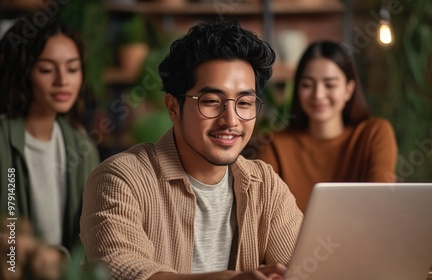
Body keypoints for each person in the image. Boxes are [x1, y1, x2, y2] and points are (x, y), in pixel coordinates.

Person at [79, 19, 303, 280]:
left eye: (244, 102)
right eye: (211, 101)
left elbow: (308, 267)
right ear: (174, 108)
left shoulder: (265, 185)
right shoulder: (120, 179)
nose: (230, 120)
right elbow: (119, 270)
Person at [257, 41, 398, 212]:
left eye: (330, 85)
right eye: (307, 85)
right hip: (292, 239)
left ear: (349, 89)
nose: (318, 95)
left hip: (363, 236)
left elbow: (379, 203)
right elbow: (264, 212)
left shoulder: (374, 133)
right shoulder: (276, 145)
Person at [0, 18, 100, 253]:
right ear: (23, 72)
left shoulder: (82, 146)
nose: (62, 81)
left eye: (73, 69)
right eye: (46, 69)